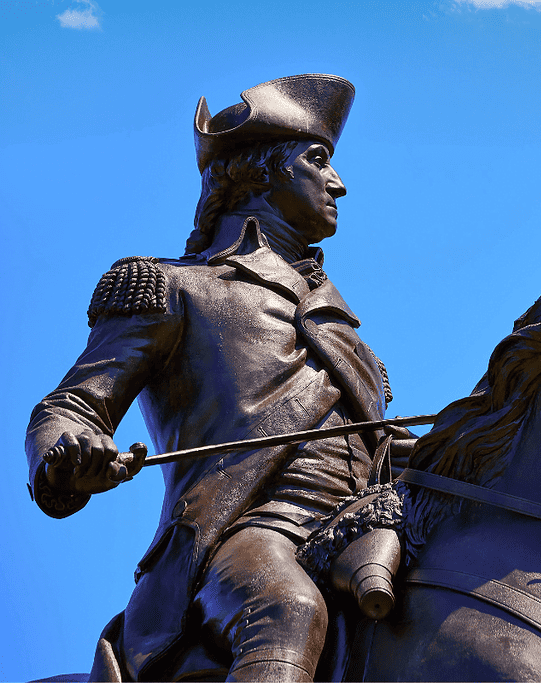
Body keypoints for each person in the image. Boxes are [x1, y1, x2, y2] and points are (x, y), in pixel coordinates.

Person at [25, 74, 407, 681]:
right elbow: (70, 406)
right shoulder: (170, 286)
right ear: (261, 171)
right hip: (241, 537)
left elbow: (384, 453)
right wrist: (71, 452)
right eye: (318, 161)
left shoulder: (348, 337)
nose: (338, 183)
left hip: (366, 529)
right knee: (286, 608)